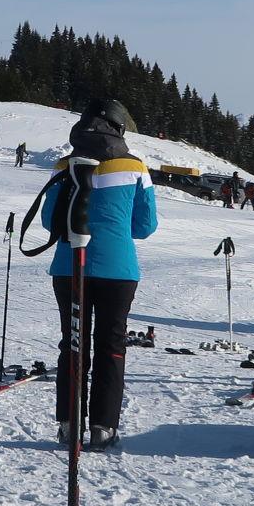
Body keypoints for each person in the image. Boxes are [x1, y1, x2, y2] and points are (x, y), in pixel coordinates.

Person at [41, 98, 156, 450]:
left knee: (73, 343)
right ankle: (103, 427)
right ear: (120, 128)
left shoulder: (65, 165)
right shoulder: (135, 167)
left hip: (68, 265)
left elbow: (49, 221)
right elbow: (145, 226)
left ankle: (67, 425)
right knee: (112, 346)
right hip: (117, 268)